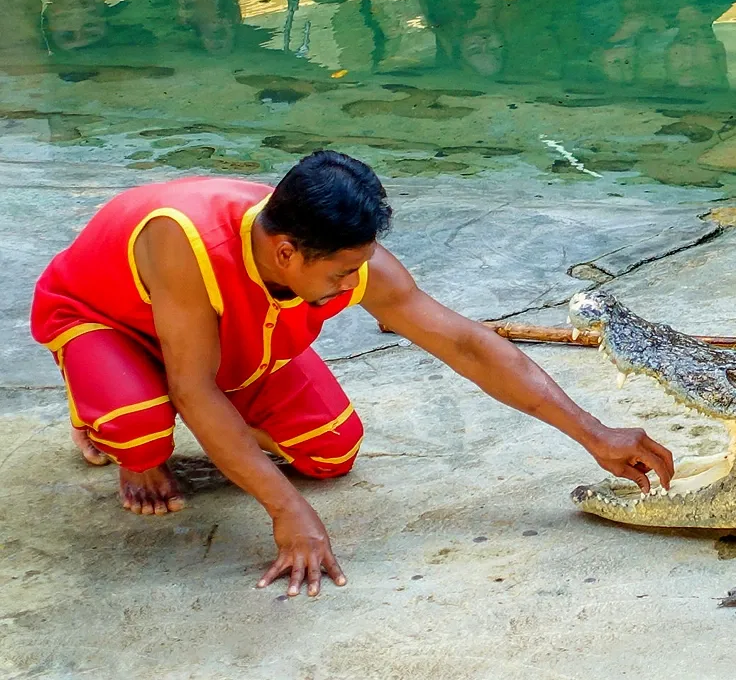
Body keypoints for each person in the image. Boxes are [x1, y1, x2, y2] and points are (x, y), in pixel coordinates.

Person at [30, 150, 674, 598]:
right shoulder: (183, 240)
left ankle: (195, 411)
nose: (352, 284)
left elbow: (467, 344)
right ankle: (105, 409)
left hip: (222, 340)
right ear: (286, 251)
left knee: (332, 451)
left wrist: (595, 433)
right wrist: (287, 511)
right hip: (107, 320)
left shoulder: (339, 253)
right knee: (139, 430)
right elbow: (192, 387)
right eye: (340, 274)